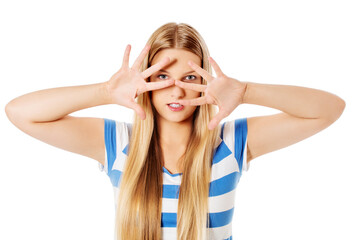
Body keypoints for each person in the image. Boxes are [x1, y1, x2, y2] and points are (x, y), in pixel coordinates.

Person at [5, 22, 346, 240]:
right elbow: (20, 113)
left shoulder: (231, 144)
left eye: (190, 78)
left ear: (204, 85)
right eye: (161, 77)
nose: (177, 91)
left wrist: (246, 92)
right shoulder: (117, 143)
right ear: (146, 84)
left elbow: (328, 110)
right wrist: (104, 92)